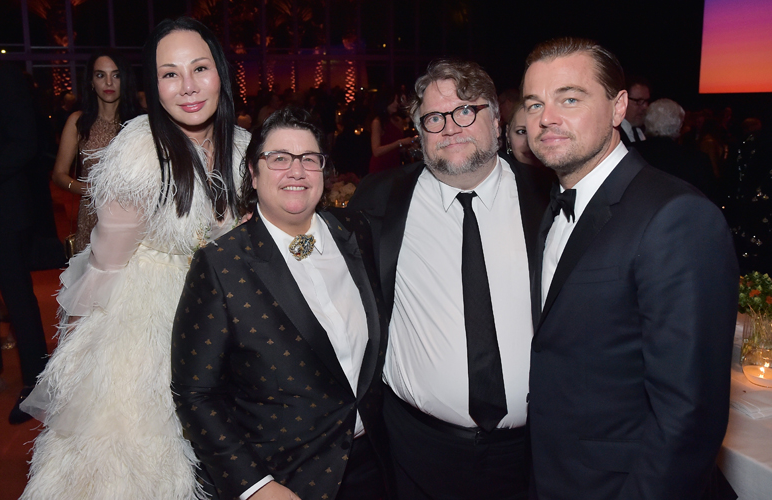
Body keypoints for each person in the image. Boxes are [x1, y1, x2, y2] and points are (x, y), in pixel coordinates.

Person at [19, 17, 249, 500]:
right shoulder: (140, 151)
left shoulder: (244, 148)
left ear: (220, 74)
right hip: (148, 322)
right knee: (139, 466)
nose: (187, 86)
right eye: (170, 73)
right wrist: (82, 348)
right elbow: (106, 260)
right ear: (153, 85)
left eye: (199, 68)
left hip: (225, 315)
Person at [521, 37, 738, 499]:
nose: (547, 118)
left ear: (619, 107)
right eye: (534, 103)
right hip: (557, 473)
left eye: (570, 99)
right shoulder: (555, 207)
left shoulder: (676, 216)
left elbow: (689, 416)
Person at [349, 58, 551, 500]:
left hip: (538, 451)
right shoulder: (378, 200)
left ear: (497, 121)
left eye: (466, 111)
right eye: (434, 118)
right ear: (418, 132)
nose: (449, 127)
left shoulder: (549, 197)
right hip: (417, 452)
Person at [172, 107, 389, 500]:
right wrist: (255, 486)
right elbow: (195, 393)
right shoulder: (221, 265)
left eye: (309, 159)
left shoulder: (357, 233)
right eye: (279, 159)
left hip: (375, 466)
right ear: (253, 175)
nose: (297, 171)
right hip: (285, 478)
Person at [0, 51, 49, 424]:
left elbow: (25, 141)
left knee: (17, 297)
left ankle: (36, 383)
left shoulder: (1, 75)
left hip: (4, 207)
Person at [52, 49, 142, 254]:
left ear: (125, 79)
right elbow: (58, 175)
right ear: (91, 82)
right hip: (93, 217)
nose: (109, 83)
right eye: (100, 75)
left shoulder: (140, 123)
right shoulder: (78, 121)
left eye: (116, 75)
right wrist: (88, 189)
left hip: (132, 217)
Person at [635, 98, 717, 200]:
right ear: (679, 124)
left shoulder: (631, 153)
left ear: (647, 121)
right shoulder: (697, 160)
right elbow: (709, 201)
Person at [368, 93, 418, 174]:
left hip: (394, 164)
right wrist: (400, 142)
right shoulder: (377, 122)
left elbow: (399, 149)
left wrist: (409, 145)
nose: (396, 103)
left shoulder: (398, 120)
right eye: (393, 101)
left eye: (396, 100)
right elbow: (376, 151)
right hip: (380, 166)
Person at [618, 76, 650, 144]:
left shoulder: (640, 133)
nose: (645, 107)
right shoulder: (614, 135)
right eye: (638, 101)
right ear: (623, 100)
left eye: (646, 101)